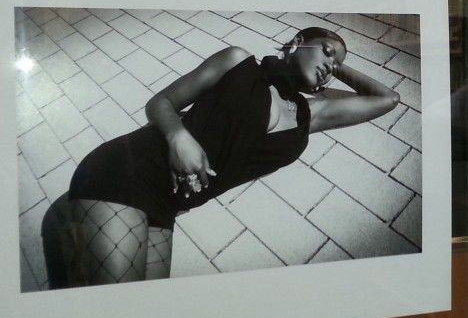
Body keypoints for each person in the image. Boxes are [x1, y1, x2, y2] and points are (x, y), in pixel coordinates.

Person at [64, 27, 400, 286]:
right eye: (327, 52)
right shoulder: (239, 62)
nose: (331, 65)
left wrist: (333, 66)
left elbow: (387, 99)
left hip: (166, 206)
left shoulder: (309, 115)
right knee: (114, 312)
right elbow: (161, 103)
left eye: (336, 63)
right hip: (127, 171)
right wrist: (179, 136)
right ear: (296, 42)